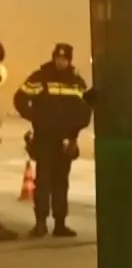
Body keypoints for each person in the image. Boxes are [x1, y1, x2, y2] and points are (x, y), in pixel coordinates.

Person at [12, 43, 92, 238]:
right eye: (58, 57)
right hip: (44, 138)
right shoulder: (41, 77)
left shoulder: (76, 82)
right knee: (44, 181)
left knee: (61, 182)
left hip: (65, 140)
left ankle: (60, 224)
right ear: (53, 57)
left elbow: (86, 107)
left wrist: (75, 132)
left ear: (69, 60)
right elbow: (20, 97)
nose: (61, 61)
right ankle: (40, 223)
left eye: (64, 59)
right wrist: (34, 116)